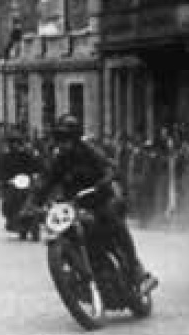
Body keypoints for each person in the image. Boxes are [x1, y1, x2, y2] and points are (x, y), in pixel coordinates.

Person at [31, 115, 158, 293]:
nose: (62, 143)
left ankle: (138, 272)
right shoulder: (59, 160)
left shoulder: (89, 150)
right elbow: (47, 182)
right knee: (65, 232)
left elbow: (108, 165)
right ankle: (76, 274)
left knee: (114, 222)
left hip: (101, 199)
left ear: (75, 138)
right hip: (77, 207)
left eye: (66, 139)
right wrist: (33, 204)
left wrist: (106, 178)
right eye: (60, 139)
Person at [0, 132, 44, 231]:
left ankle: (36, 215)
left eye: (17, 143)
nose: (15, 145)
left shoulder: (26, 155)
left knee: (35, 195)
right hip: (11, 183)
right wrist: (5, 179)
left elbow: (36, 165)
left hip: (26, 181)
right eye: (13, 143)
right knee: (9, 198)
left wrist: (37, 173)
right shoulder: (5, 157)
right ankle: (10, 216)